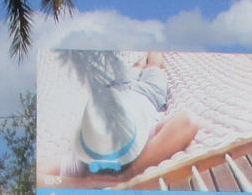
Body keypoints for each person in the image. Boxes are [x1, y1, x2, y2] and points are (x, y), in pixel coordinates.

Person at [43, 52, 197, 187]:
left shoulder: (85, 161)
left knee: (137, 66)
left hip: (115, 92)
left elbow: (38, 175)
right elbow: (188, 122)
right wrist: (132, 172)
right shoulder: (140, 143)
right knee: (153, 65)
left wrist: (92, 181)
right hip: (148, 93)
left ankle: (145, 54)